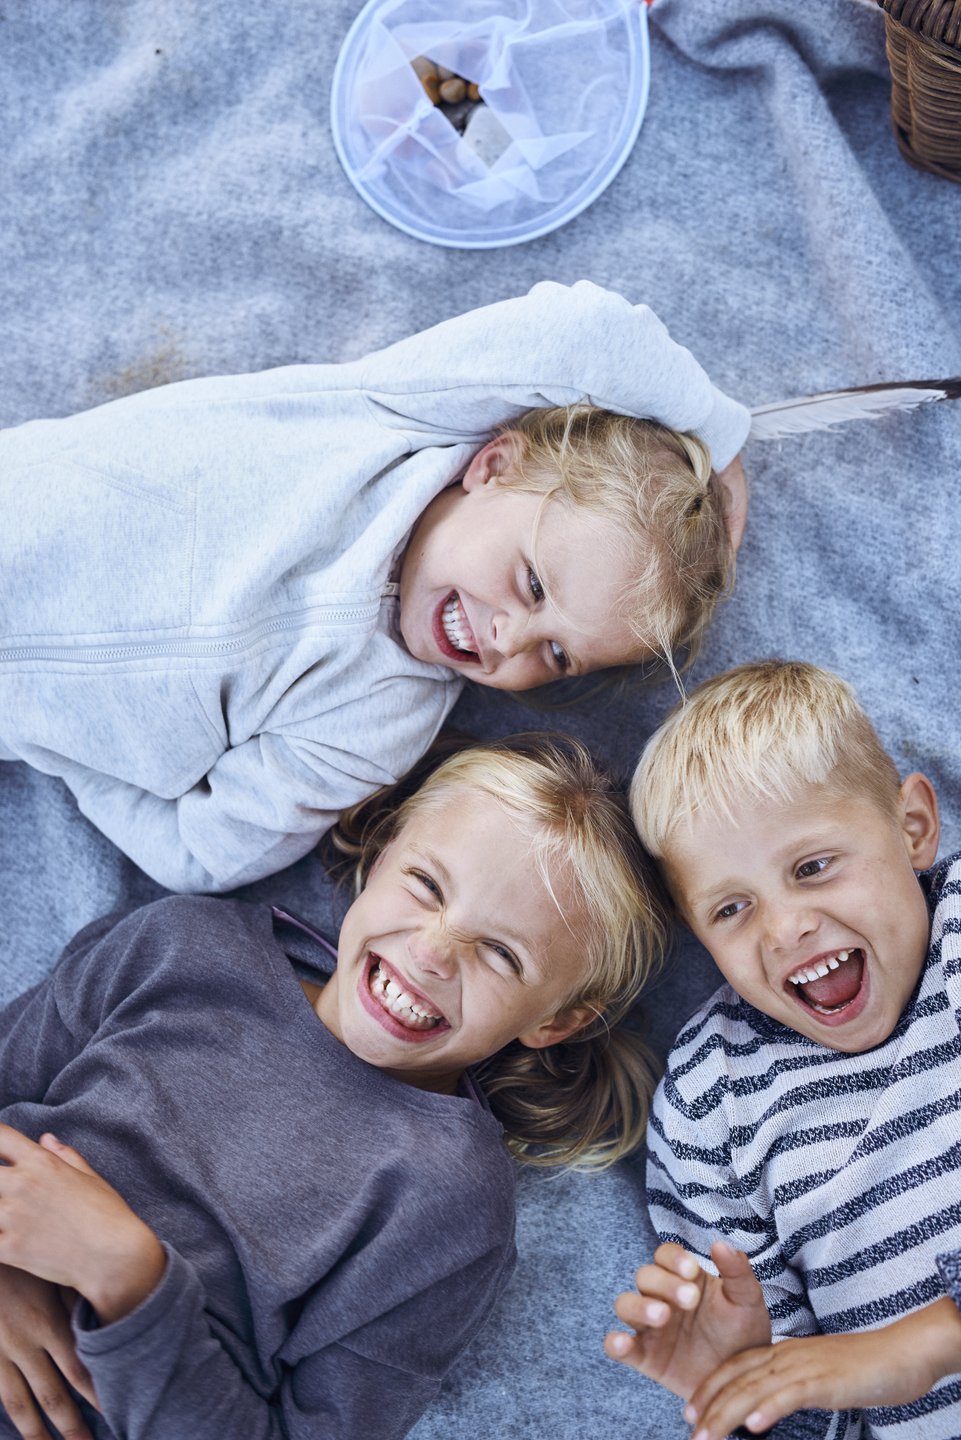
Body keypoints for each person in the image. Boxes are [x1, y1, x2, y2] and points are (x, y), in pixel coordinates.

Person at [0, 734, 668, 1440]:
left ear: (556, 1020)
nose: (432, 951)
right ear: (381, 859)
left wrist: (129, 1279)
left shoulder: (449, 1201)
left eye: (502, 954)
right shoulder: (180, 945)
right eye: (427, 885)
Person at [0, 279, 750, 893]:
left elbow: (206, 853)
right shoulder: (393, 420)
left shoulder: (380, 720)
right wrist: (719, 438)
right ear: (494, 468)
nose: (510, 638)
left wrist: (65, 753)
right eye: (529, 584)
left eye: (555, 654)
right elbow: (586, 332)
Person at [605, 660, 961, 1439]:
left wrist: (931, 1342)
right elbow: (814, 1402)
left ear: (912, 829)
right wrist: (751, 1385)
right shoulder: (711, 1102)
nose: (782, 928)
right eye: (731, 908)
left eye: (811, 868)